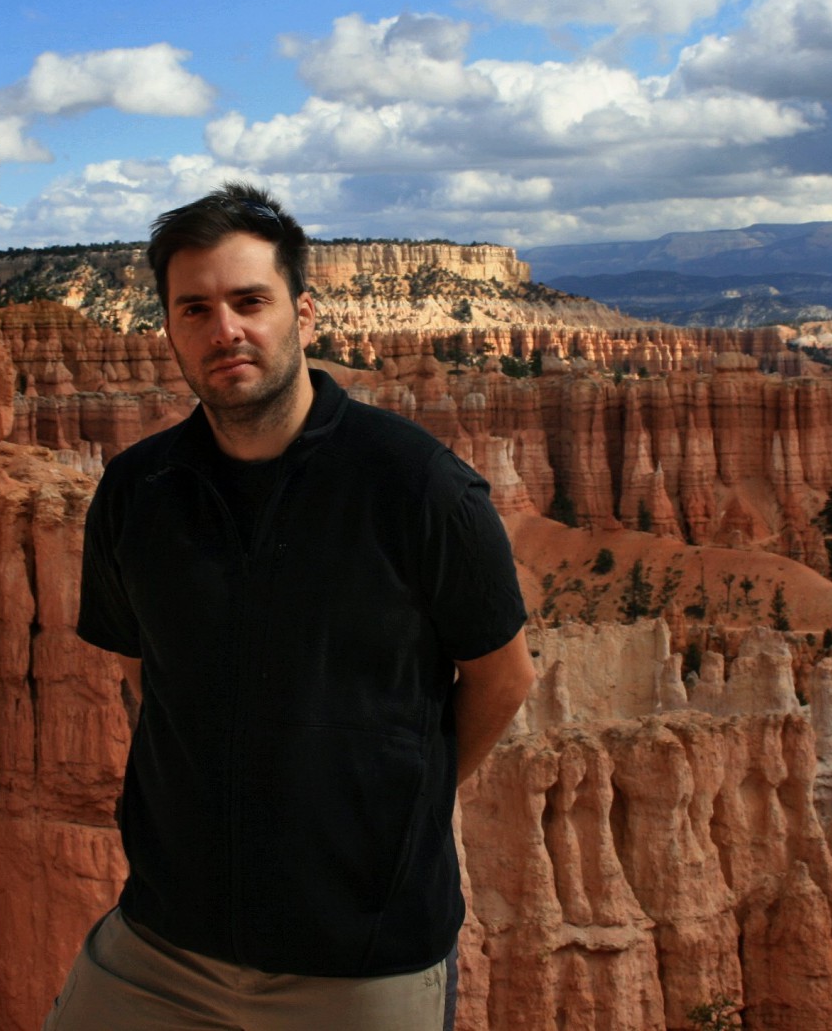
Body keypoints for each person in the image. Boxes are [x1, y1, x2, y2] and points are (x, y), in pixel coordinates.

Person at [45, 184, 536, 1031]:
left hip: (358, 960)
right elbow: (140, 672)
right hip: (164, 942)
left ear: (303, 311)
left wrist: (400, 799)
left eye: (249, 301)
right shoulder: (137, 492)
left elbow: (502, 677)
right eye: (193, 308)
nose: (224, 329)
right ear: (167, 327)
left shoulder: (417, 487)